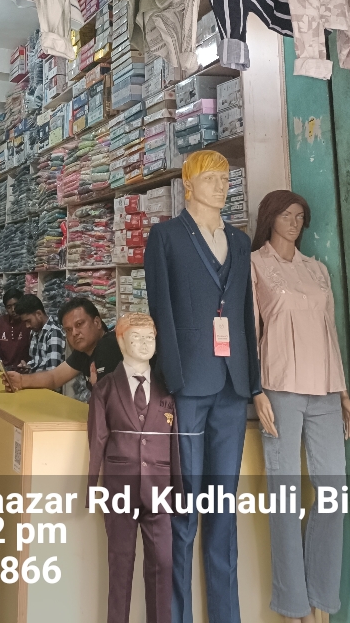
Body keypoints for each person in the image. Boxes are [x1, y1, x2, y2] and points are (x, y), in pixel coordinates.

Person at [144, 148, 261, 623]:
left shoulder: (240, 241)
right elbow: (161, 309)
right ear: (188, 184)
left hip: (232, 384)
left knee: (223, 508)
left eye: (226, 178)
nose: (221, 186)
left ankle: (226, 615)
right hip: (189, 383)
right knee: (184, 508)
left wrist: (254, 382)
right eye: (212, 178)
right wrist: (171, 378)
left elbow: (245, 314)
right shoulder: (166, 237)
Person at [251, 190, 350, 623]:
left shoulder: (317, 270)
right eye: (286, 215)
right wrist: (255, 390)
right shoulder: (255, 265)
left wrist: (343, 392)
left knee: (333, 492)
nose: (294, 223)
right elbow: (249, 331)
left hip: (325, 389)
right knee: (285, 493)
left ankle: (321, 602)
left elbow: (330, 330)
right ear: (270, 218)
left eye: (300, 216)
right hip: (279, 390)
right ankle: (294, 607)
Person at [88, 313, 181, 623]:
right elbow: (97, 439)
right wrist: (92, 488)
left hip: (160, 490)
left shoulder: (168, 389)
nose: (144, 344)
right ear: (120, 341)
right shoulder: (105, 389)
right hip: (119, 489)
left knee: (163, 564)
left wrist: (178, 490)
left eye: (149, 338)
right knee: (120, 565)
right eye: (136, 337)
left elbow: (175, 444)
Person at [2, 296, 122, 393]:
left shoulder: (109, 346)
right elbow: (54, 377)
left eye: (79, 324)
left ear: (97, 322)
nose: (74, 333)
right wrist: (21, 381)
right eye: (68, 330)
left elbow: (111, 402)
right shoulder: (84, 351)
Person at [13, 294, 65, 372]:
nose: (27, 326)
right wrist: (28, 367)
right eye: (25, 322)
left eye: (28, 321)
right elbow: (37, 363)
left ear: (39, 314)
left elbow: (52, 373)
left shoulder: (53, 333)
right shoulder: (34, 332)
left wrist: (28, 377)